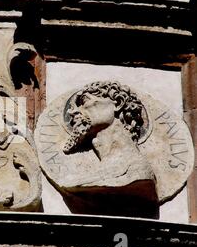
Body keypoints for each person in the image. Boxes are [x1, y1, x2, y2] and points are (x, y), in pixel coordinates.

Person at [62, 81, 159, 218]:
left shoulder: (138, 172)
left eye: (84, 101)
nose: (73, 112)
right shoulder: (91, 174)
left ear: (118, 103)